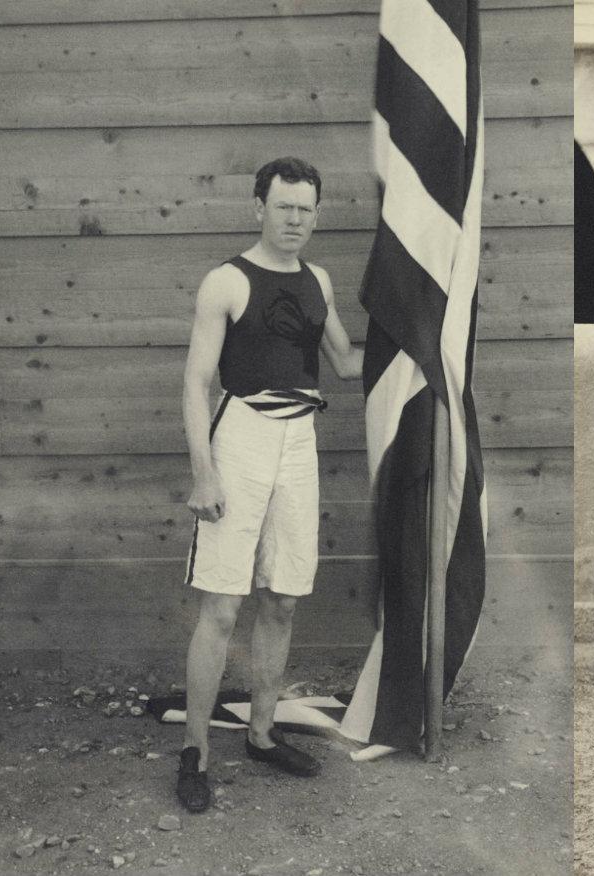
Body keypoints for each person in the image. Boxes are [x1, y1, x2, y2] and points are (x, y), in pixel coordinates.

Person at [176, 157, 364, 811]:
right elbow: (197, 384)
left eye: (305, 209)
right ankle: (195, 751)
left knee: (282, 598)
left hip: (299, 441)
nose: (294, 219)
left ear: (318, 213)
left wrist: (427, 339)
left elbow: (345, 361)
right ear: (259, 207)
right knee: (223, 606)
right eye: (283, 206)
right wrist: (204, 472)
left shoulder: (318, 280)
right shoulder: (225, 282)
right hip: (242, 435)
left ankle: (260, 733)